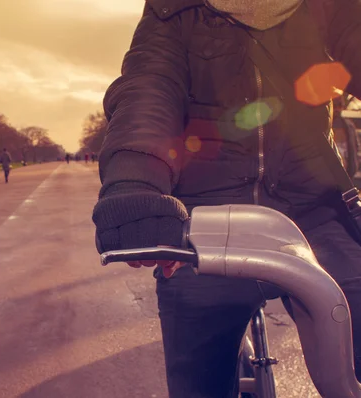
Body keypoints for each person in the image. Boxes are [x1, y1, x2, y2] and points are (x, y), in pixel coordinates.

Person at [91, 1, 361, 397]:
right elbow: (149, 89)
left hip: (315, 210)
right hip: (207, 221)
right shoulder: (174, 7)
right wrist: (134, 180)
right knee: (199, 384)